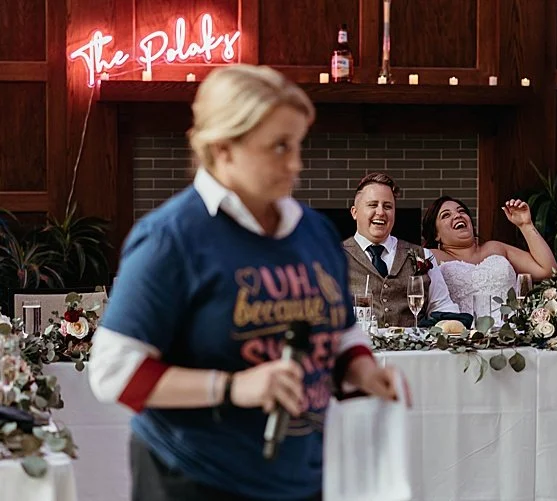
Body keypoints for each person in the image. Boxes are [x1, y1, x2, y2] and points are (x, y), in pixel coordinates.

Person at [87, 64, 404, 500]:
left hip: (302, 475)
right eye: (278, 147)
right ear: (223, 148)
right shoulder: (172, 238)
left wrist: (363, 370)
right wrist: (234, 387)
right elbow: (113, 373)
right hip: (197, 478)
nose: (296, 164)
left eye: (297, 145)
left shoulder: (313, 231)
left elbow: (341, 329)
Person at [344, 172, 460, 327]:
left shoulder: (423, 255)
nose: (380, 212)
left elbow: (443, 307)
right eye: (372, 205)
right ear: (355, 212)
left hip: (412, 350)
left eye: (388, 206)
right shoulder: (334, 257)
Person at [420, 195, 557, 315]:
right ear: (436, 234)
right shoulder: (432, 256)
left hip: (511, 333)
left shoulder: (496, 247)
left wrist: (525, 225)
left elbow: (548, 270)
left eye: (461, 211)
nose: (457, 215)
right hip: (461, 336)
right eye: (446, 215)